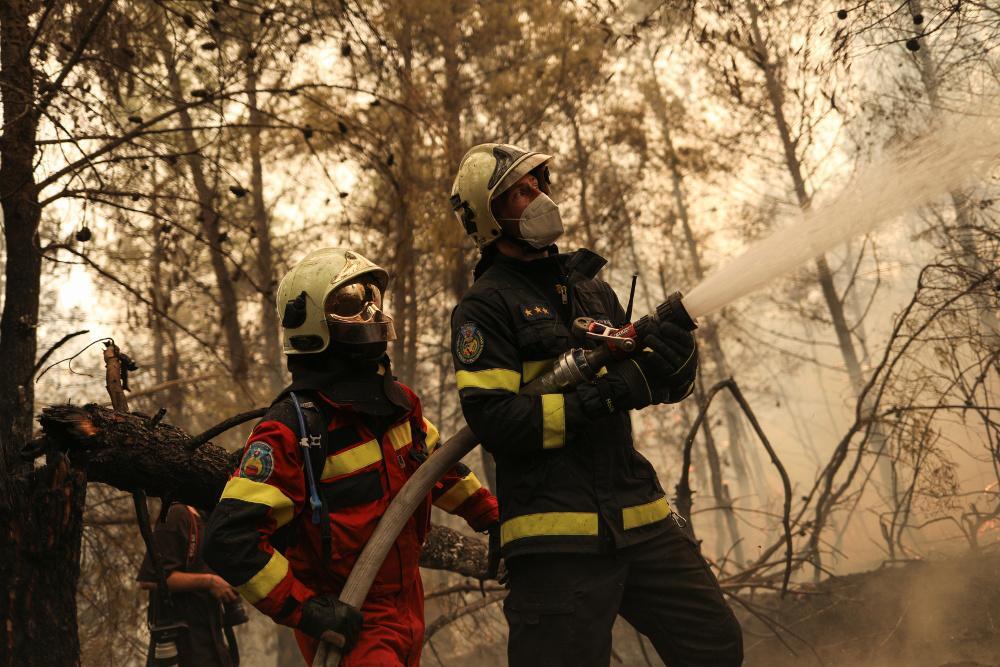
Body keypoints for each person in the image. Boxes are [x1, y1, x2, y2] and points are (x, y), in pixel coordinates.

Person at [448, 143, 743, 666]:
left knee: (715, 646)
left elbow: (654, 384)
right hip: (555, 538)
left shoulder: (590, 290)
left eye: (539, 183)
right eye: (521, 192)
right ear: (490, 219)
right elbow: (495, 421)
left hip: (638, 513)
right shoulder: (485, 308)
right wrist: (603, 395)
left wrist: (675, 362)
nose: (540, 196)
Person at [203, 248, 499, 666]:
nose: (370, 314)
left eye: (371, 299)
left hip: (407, 605)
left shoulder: (398, 404)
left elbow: (438, 467)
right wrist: (307, 610)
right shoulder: (292, 430)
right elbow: (229, 540)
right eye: (349, 303)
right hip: (350, 622)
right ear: (310, 323)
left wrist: (491, 516)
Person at [137, 502, 240, 667]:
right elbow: (151, 579)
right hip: (182, 646)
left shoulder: (207, 517)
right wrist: (209, 582)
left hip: (212, 642)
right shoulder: (176, 515)